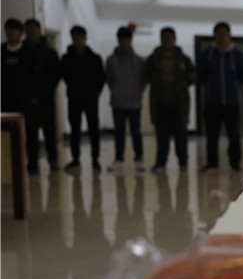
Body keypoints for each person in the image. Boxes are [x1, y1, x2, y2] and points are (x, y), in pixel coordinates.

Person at [197, 21, 243, 172]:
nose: (221, 37)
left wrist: (235, 87)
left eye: (224, 34)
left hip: (232, 103)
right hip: (212, 102)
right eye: (218, 34)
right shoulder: (207, 55)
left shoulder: (237, 55)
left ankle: (234, 162)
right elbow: (201, 75)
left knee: (234, 134)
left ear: (229, 36)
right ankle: (212, 163)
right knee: (211, 135)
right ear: (214, 36)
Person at [145, 27, 196, 172]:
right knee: (162, 136)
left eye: (170, 38)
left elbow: (193, 75)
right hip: (160, 103)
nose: (167, 41)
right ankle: (161, 163)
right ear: (161, 39)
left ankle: (183, 163)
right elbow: (147, 75)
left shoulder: (183, 59)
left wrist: (183, 83)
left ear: (175, 39)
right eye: (164, 38)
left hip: (179, 103)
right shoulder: (154, 58)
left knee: (181, 136)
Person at [60, 25, 106, 173]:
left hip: (91, 98)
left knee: (94, 129)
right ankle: (75, 159)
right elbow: (64, 76)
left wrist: (95, 92)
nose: (77, 40)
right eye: (74, 37)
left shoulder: (95, 58)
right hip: (74, 98)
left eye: (80, 37)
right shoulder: (66, 58)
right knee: (75, 129)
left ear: (85, 38)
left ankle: (95, 159)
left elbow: (101, 78)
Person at [19, 18, 61, 174]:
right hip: (28, 100)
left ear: (39, 30)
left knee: (50, 131)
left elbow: (56, 74)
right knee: (31, 133)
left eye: (33, 29)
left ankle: (53, 159)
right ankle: (32, 163)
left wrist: (46, 90)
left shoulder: (49, 52)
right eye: (28, 29)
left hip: (46, 99)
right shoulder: (22, 52)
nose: (31, 32)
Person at [106, 26, 146, 173]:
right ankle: (119, 159)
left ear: (131, 40)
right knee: (119, 132)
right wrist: (117, 92)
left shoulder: (139, 61)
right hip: (117, 102)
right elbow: (109, 80)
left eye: (127, 40)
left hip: (134, 102)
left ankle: (139, 159)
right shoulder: (111, 60)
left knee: (136, 131)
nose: (124, 43)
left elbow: (143, 81)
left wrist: (137, 94)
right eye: (121, 40)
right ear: (118, 40)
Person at [1, 17, 25, 113]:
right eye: (7, 30)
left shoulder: (27, 51)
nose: (10, 33)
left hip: (23, 97)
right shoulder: (2, 50)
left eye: (14, 30)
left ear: (21, 33)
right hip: (4, 97)